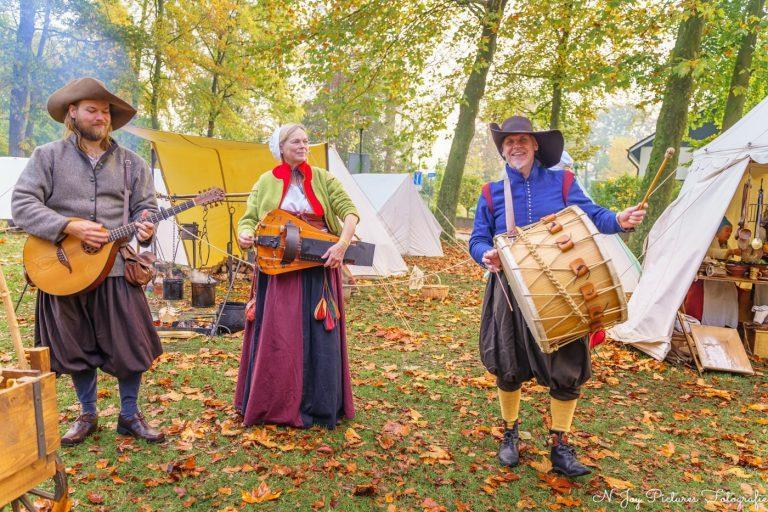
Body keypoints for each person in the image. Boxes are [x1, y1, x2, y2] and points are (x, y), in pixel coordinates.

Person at [469, 116, 646, 477]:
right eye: (507, 142)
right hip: (509, 289)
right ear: (503, 150)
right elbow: (477, 238)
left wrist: (619, 219)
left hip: (564, 289)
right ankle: (509, 434)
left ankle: (560, 445)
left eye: (522, 140)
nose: (514, 147)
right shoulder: (490, 192)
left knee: (567, 367)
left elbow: (592, 215)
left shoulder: (563, 182)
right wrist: (485, 254)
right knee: (508, 364)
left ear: (536, 145)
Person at [12, 77, 164, 444]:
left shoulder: (132, 163)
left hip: (116, 269)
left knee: (130, 344)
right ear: (73, 113)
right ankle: (87, 413)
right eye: (92, 110)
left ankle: (129, 415)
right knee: (73, 344)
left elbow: (147, 207)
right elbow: (22, 206)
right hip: (62, 267)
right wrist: (69, 225)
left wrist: (145, 227)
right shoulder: (46, 157)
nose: (101, 117)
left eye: (106, 111)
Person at [234, 123, 359, 428]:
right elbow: (249, 219)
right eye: (296, 142)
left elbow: (350, 211)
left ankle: (319, 405)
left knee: (319, 331)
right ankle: (273, 403)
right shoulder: (266, 182)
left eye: (306, 141)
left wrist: (341, 244)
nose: (304, 146)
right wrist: (245, 233)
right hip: (277, 265)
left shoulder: (324, 179)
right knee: (280, 331)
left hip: (318, 263)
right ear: (281, 147)